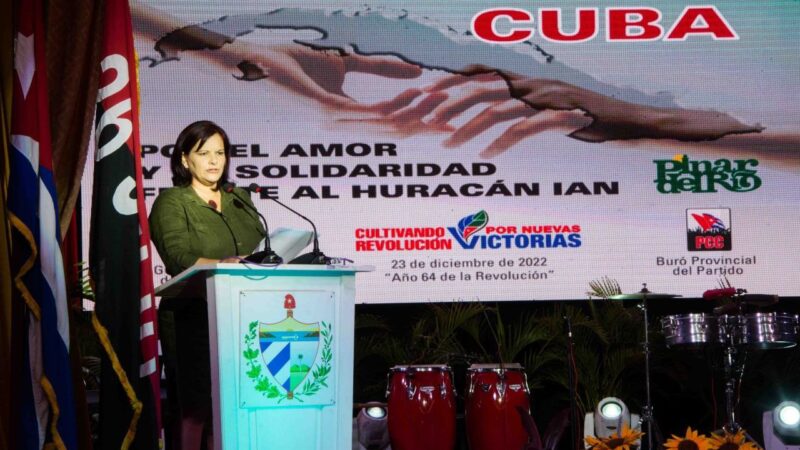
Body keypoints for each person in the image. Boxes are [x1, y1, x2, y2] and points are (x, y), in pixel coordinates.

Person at [149, 120, 265, 450]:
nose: (214, 161)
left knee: (236, 403)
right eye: (204, 153)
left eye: (220, 153)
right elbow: (178, 257)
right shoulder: (172, 201)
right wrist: (224, 264)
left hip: (244, 314)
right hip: (193, 316)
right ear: (185, 160)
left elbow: (261, 247)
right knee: (197, 407)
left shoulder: (239, 197)